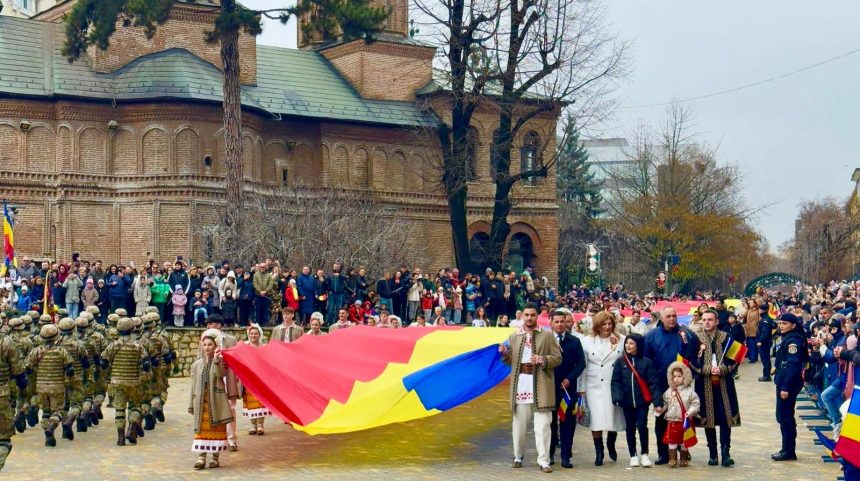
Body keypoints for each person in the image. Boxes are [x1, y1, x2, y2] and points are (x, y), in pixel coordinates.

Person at [499, 303, 562, 473]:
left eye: (532, 315)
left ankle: (544, 460)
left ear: (537, 316)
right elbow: (510, 361)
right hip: (521, 385)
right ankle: (518, 456)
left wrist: (542, 359)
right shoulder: (514, 336)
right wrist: (504, 354)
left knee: (543, 425)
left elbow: (558, 358)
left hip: (541, 384)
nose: (529, 318)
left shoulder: (547, 335)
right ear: (522, 316)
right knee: (519, 424)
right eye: (526, 315)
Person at [643, 306, 699, 464]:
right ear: (661, 318)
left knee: (683, 418)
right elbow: (646, 360)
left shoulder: (685, 334)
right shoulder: (651, 335)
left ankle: (683, 449)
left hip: (682, 385)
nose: (672, 319)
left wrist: (689, 377)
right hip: (660, 384)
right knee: (661, 418)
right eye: (668, 316)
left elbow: (695, 355)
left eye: (674, 316)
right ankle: (664, 453)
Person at [690, 309, 741, 467]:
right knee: (708, 418)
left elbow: (736, 358)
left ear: (717, 321)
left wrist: (723, 369)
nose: (706, 322)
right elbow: (690, 360)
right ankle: (713, 454)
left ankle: (726, 453)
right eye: (704, 320)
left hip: (724, 385)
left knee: (726, 417)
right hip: (704, 384)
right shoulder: (696, 339)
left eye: (710, 319)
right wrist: (706, 369)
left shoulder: (727, 337)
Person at [579, 310, 625, 466]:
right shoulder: (587, 341)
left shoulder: (621, 340)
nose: (607, 327)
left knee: (613, 416)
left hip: (613, 384)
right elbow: (583, 366)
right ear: (597, 325)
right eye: (603, 324)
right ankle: (599, 451)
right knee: (596, 418)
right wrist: (581, 388)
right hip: (593, 384)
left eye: (609, 323)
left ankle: (611, 442)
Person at [612, 332, 660, 468]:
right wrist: (617, 397)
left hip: (642, 402)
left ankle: (644, 454)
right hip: (626, 402)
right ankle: (633, 455)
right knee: (630, 428)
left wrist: (657, 402)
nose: (628, 345)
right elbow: (615, 381)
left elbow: (653, 383)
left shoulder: (647, 362)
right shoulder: (620, 362)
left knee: (642, 426)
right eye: (627, 343)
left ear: (638, 345)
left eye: (631, 343)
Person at [100, 317, 149, 445]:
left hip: (117, 382)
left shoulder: (114, 345)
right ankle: (131, 429)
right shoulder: (138, 346)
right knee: (135, 407)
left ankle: (120, 438)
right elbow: (146, 364)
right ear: (132, 330)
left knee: (119, 409)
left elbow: (103, 362)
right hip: (134, 381)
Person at [190, 329, 233, 469]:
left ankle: (215, 458)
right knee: (201, 428)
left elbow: (221, 374)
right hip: (201, 402)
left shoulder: (220, 361)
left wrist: (216, 360)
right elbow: (193, 385)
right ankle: (201, 457)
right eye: (205, 344)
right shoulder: (197, 364)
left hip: (216, 401)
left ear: (215, 346)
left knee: (217, 427)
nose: (207, 347)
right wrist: (191, 404)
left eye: (210, 344)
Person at [26, 324, 74, 447]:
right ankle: (52, 427)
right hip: (57, 386)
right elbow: (70, 369)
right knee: (57, 411)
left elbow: (28, 368)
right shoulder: (61, 351)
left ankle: (48, 437)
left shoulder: (36, 351)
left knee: (45, 412)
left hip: (41, 386)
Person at [549, 310, 585, 469]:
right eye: (556, 322)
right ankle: (549, 454)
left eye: (562, 321)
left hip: (568, 390)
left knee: (567, 422)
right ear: (551, 323)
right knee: (550, 423)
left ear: (566, 323)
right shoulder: (546, 340)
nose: (559, 324)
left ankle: (565, 456)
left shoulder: (574, 341)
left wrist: (570, 379)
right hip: (549, 389)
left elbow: (581, 363)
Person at [771, 313, 807, 461]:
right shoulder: (787, 338)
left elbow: (793, 365)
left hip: (789, 383)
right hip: (784, 380)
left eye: (784, 323)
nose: (781, 326)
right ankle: (786, 448)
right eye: (780, 323)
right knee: (782, 416)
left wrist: (785, 387)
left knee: (785, 417)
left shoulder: (794, 341)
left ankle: (788, 450)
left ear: (793, 325)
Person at [202, 314, 239, 451]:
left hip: (228, 377)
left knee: (231, 408)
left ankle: (231, 439)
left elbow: (236, 360)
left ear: (218, 325)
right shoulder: (204, 339)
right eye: (207, 324)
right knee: (213, 408)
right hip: (212, 378)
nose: (208, 327)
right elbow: (201, 359)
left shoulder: (231, 340)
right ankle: (217, 439)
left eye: (210, 324)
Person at [655, 361, 700, 468]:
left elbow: (695, 403)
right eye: (674, 376)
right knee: (672, 440)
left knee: (684, 441)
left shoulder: (690, 392)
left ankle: (683, 459)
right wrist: (660, 409)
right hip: (672, 420)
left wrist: (690, 411)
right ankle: (672, 459)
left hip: (685, 421)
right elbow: (665, 403)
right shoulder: (669, 391)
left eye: (679, 376)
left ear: (685, 377)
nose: (677, 379)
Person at [0, 322, 26, 470]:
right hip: (2, 394)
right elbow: (18, 371)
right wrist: (23, 389)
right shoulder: (6, 342)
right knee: (3, 437)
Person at [241, 324, 270, 436]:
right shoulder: (244, 346)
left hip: (261, 378)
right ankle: (253, 425)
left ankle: (260, 425)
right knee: (250, 403)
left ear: (259, 334)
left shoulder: (264, 347)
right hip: (248, 379)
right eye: (251, 333)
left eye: (256, 333)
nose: (253, 335)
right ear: (249, 334)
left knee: (260, 402)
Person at [757, 303, 775, 381]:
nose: (759, 311)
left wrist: (761, 341)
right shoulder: (766, 318)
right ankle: (766, 375)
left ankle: (767, 376)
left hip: (765, 343)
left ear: (762, 310)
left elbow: (765, 332)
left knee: (765, 359)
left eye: (760, 309)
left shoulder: (765, 320)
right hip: (766, 342)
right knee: (765, 359)